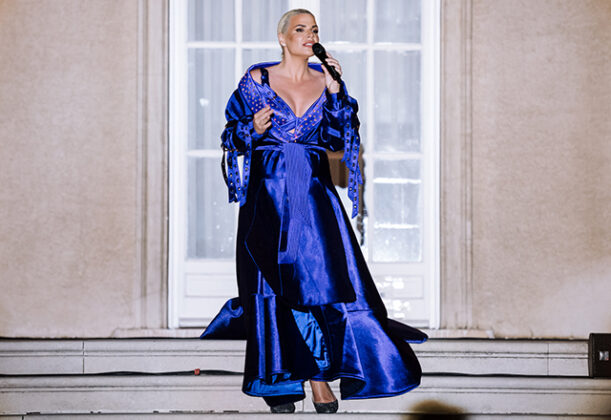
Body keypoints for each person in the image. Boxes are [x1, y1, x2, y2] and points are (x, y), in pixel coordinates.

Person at [200, 9, 427, 414]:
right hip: (268, 197)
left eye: (314, 30)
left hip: (313, 194)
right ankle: (280, 382)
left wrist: (337, 93)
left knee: (318, 284)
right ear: (282, 38)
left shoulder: (326, 82)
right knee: (271, 286)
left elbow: (339, 142)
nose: (309, 35)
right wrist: (252, 129)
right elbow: (230, 135)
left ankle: (319, 377)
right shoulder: (257, 80)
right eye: (301, 29)